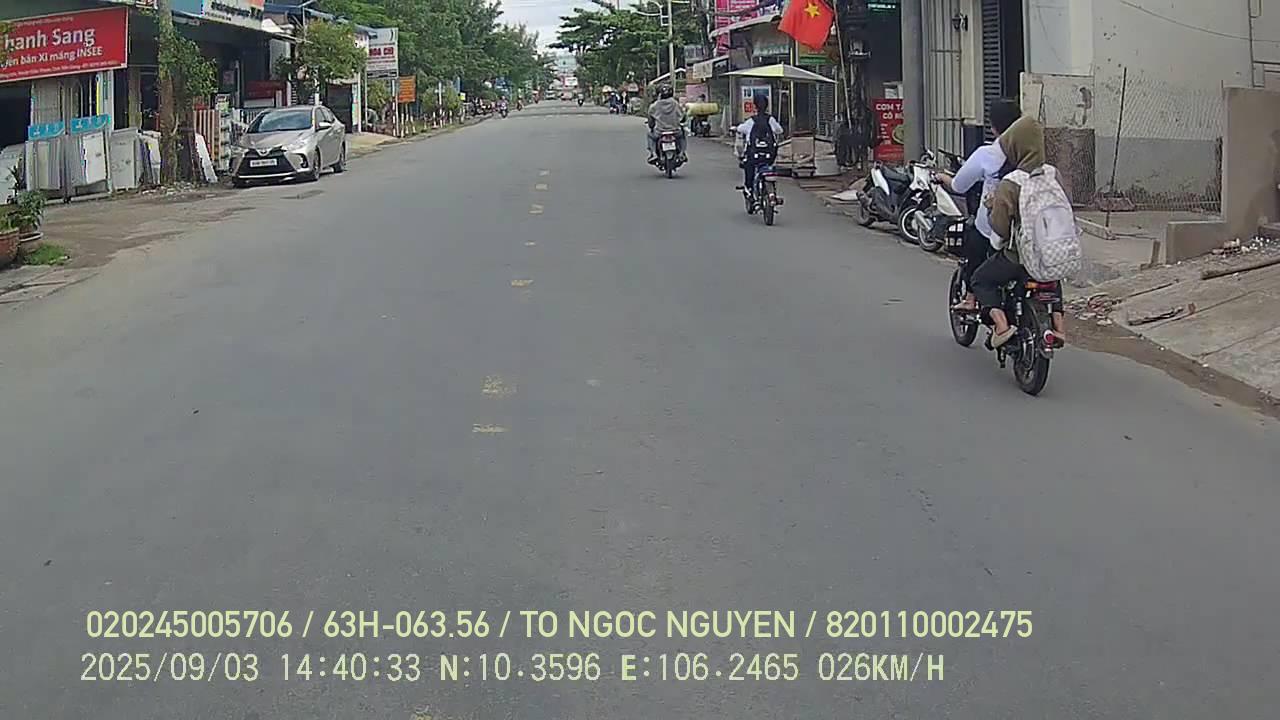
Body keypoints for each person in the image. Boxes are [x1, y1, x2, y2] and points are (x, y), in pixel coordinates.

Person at [971, 116, 1066, 348]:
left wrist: (992, 206)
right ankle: (1060, 328)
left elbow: (1000, 228)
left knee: (980, 279)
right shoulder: (1054, 174)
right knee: (1052, 279)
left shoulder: (1011, 182)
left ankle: (1001, 325)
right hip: (1052, 252)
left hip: (1019, 258)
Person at [938, 99, 1023, 313]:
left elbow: (959, 185)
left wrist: (942, 178)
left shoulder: (987, 154)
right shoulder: (1031, 153)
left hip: (995, 228)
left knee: (975, 240)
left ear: (992, 127)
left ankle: (970, 298)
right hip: (1028, 226)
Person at [735, 93, 784, 195]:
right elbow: (779, 130)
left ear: (755, 106)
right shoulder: (770, 120)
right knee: (770, 166)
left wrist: (736, 128)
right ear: (767, 106)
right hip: (769, 155)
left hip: (754, 155)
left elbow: (740, 129)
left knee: (748, 167)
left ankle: (749, 189)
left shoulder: (751, 121)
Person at [647, 84, 687, 163]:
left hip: (659, 132)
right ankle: (682, 153)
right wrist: (682, 121)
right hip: (675, 131)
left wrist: (651, 126)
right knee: (682, 136)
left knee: (650, 135)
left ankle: (654, 154)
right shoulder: (675, 104)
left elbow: (650, 119)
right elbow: (682, 116)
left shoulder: (654, 105)